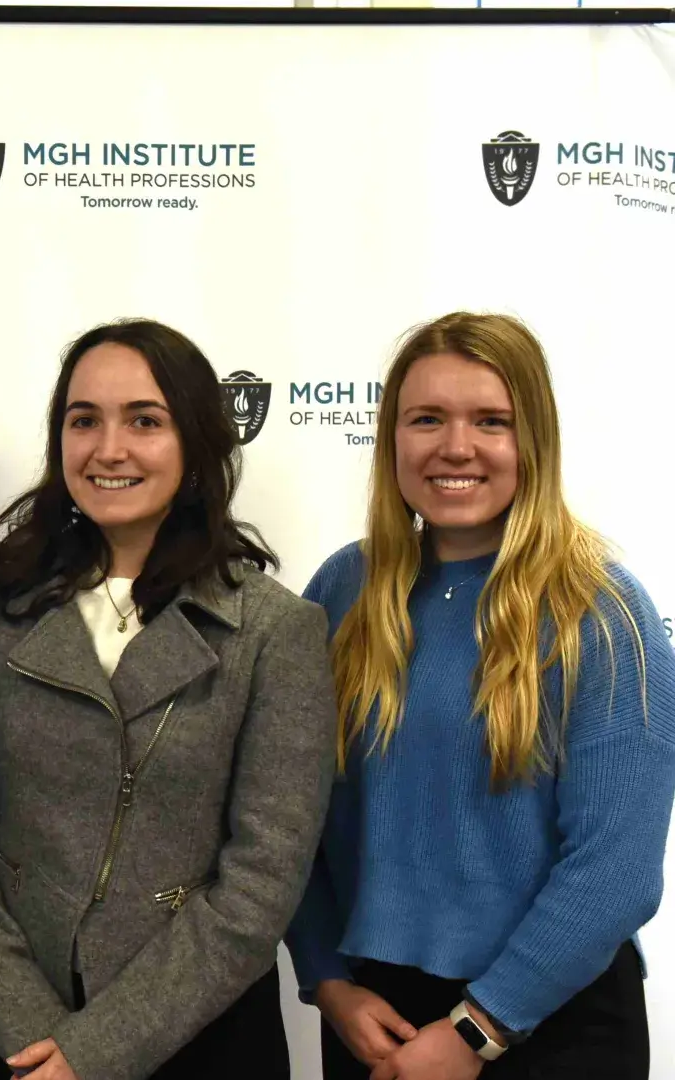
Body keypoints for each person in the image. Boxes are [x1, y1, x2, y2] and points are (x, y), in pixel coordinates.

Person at [0, 319, 338, 1080]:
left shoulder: (277, 632)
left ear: (199, 445)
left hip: (197, 1041)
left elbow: (261, 883)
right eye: (84, 421)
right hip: (5, 1036)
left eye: (144, 421)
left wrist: (93, 1053)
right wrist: (31, 1033)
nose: (108, 449)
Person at [286, 312, 675, 1080]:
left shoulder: (602, 611)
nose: (455, 447)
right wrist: (327, 980)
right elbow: (287, 817)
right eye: (427, 418)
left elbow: (616, 867)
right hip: (376, 1016)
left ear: (534, 440)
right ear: (392, 437)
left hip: (552, 1020)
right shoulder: (343, 591)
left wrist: (477, 1030)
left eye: (490, 421)